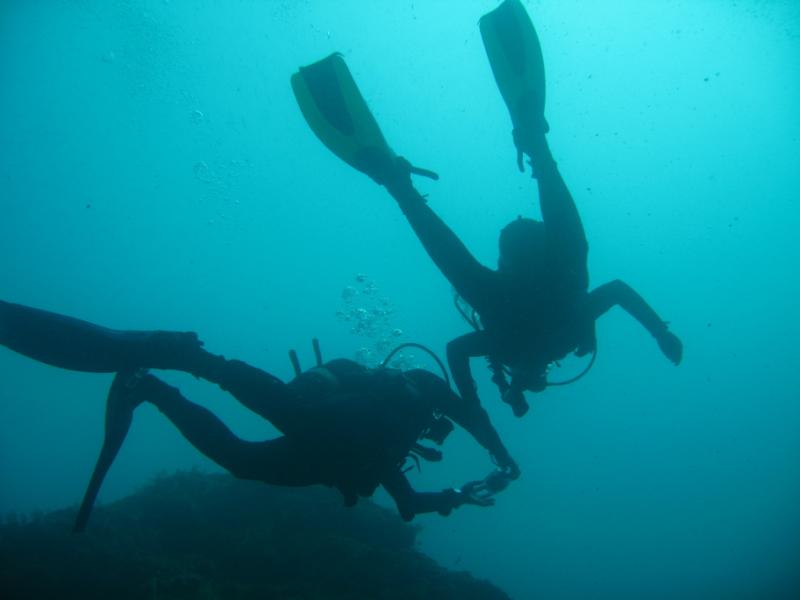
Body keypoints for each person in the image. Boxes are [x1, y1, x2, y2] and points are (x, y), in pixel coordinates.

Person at [292, 1, 682, 425]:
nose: (535, 373)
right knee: (513, 259)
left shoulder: (546, 343)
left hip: (527, 290)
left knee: (549, 250)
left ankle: (524, 147)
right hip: (539, 284)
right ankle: (404, 184)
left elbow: (616, 293)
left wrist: (658, 333)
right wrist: (656, 333)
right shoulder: (545, 342)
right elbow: (461, 350)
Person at [0, 299, 513, 530]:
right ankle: (186, 358)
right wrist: (501, 456)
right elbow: (469, 414)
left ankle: (152, 386)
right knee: (282, 409)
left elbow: (409, 504)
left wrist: (458, 495)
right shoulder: (423, 391)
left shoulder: (391, 455)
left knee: (243, 459)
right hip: (329, 424)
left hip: (325, 455)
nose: (438, 429)